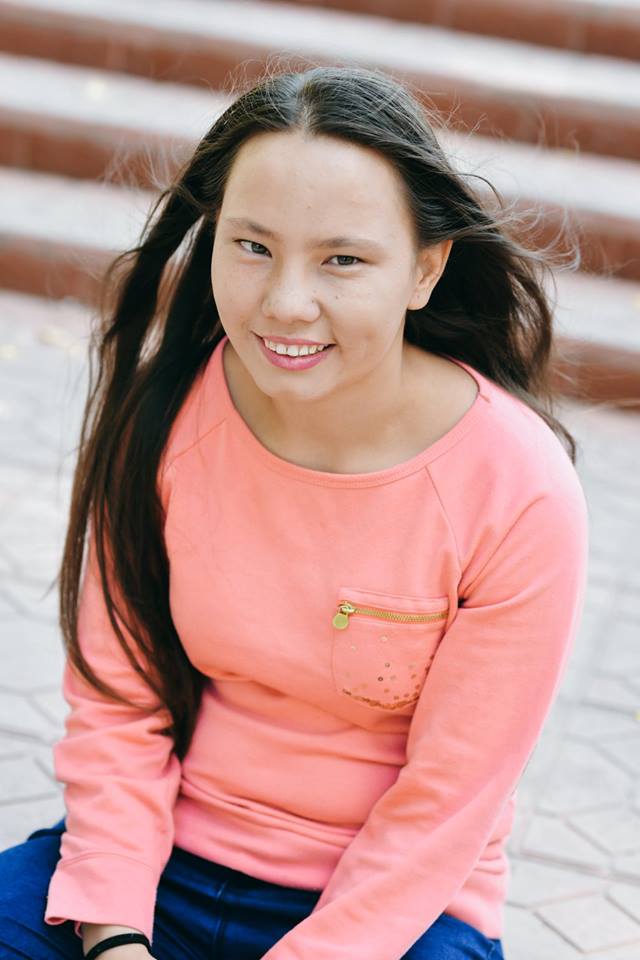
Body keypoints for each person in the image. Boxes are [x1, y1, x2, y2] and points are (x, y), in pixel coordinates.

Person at [0, 63, 589, 960]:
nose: (284, 303)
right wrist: (115, 938)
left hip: (395, 910)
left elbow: (447, 805)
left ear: (426, 268)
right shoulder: (166, 417)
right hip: (162, 859)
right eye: (252, 246)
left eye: (342, 260)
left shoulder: (519, 489)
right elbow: (119, 706)